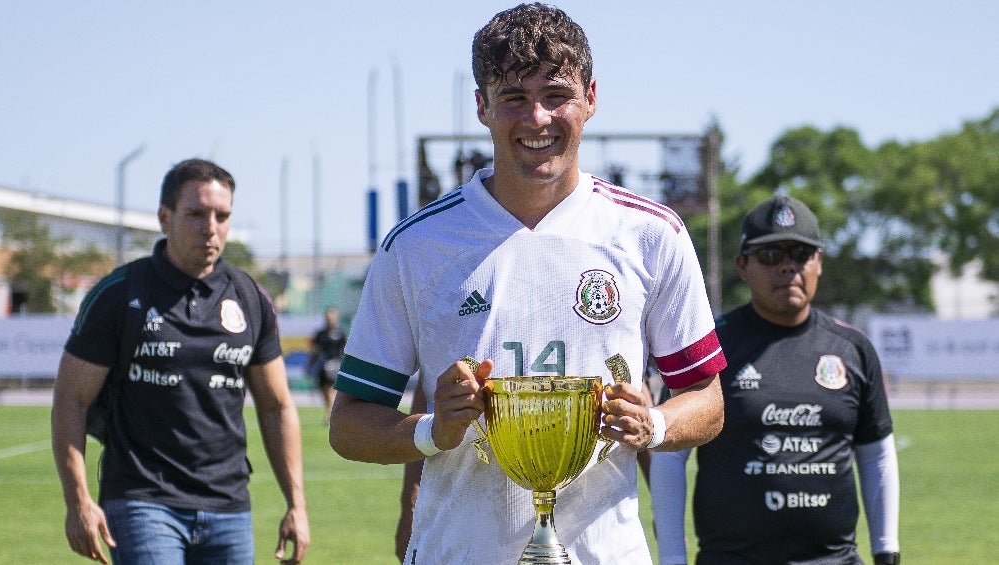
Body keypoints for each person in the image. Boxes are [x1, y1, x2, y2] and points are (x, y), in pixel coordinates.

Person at [330, 4, 727, 564]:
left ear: (590, 97)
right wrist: (430, 431)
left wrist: (655, 422)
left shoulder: (650, 234)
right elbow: (348, 424)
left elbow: (709, 401)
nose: (537, 117)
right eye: (514, 97)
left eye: (556, 94)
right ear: (482, 107)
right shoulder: (417, 245)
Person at [51, 158, 310, 564]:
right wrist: (78, 501)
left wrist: (297, 504)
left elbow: (277, 406)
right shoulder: (119, 294)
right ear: (164, 217)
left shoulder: (250, 298)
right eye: (196, 214)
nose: (211, 227)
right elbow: (71, 399)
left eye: (222, 216)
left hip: (229, 508)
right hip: (142, 502)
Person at [650, 195, 901, 565]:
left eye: (800, 253)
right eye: (770, 255)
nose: (787, 267)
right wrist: (672, 558)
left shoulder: (853, 349)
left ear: (819, 262)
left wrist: (886, 551)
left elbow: (876, 454)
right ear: (743, 265)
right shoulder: (710, 346)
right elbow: (670, 456)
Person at [308, 306, 347, 422]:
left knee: (330, 388)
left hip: (335, 365)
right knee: (323, 389)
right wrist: (310, 364)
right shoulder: (320, 334)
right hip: (322, 365)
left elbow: (345, 350)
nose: (330, 318)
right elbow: (314, 350)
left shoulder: (340, 333)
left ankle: (330, 413)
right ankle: (329, 409)